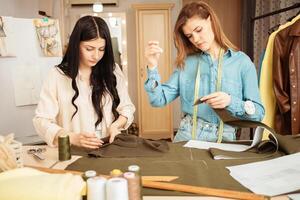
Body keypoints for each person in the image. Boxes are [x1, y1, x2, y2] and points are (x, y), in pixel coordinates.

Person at [144, 1, 265, 142]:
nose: (195, 39)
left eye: (198, 30)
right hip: (186, 135)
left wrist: (230, 101)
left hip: (225, 139)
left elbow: (258, 113)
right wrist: (152, 66)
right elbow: (158, 100)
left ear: (211, 21)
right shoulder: (186, 63)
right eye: (189, 36)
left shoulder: (242, 63)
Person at [33, 16, 135, 149]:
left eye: (101, 49)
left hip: (108, 147)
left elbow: (127, 108)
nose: (96, 56)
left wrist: (115, 126)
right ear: (76, 45)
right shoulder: (57, 76)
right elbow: (41, 120)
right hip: (73, 150)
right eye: (89, 49)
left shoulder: (113, 71)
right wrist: (72, 137)